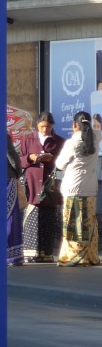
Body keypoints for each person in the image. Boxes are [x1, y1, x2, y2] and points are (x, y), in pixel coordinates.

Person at [54, 110, 102, 267]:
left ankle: (73, 256)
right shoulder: (96, 138)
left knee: (73, 222)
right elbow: (97, 129)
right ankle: (90, 255)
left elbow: (59, 165)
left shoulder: (72, 143)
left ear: (74, 124)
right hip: (90, 188)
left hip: (73, 188)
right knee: (89, 222)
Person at [18, 111, 65, 263]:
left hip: (49, 184)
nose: (45, 130)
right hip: (32, 181)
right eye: (42, 126)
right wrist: (30, 158)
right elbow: (20, 161)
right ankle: (31, 253)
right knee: (32, 215)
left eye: (48, 127)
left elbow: (63, 163)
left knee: (48, 216)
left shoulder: (58, 141)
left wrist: (52, 159)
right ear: (37, 125)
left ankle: (46, 253)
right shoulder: (27, 139)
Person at [6, 133, 24, 266]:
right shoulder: (2, 135)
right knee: (10, 217)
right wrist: (18, 173)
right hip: (6, 179)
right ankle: (12, 255)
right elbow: (12, 157)